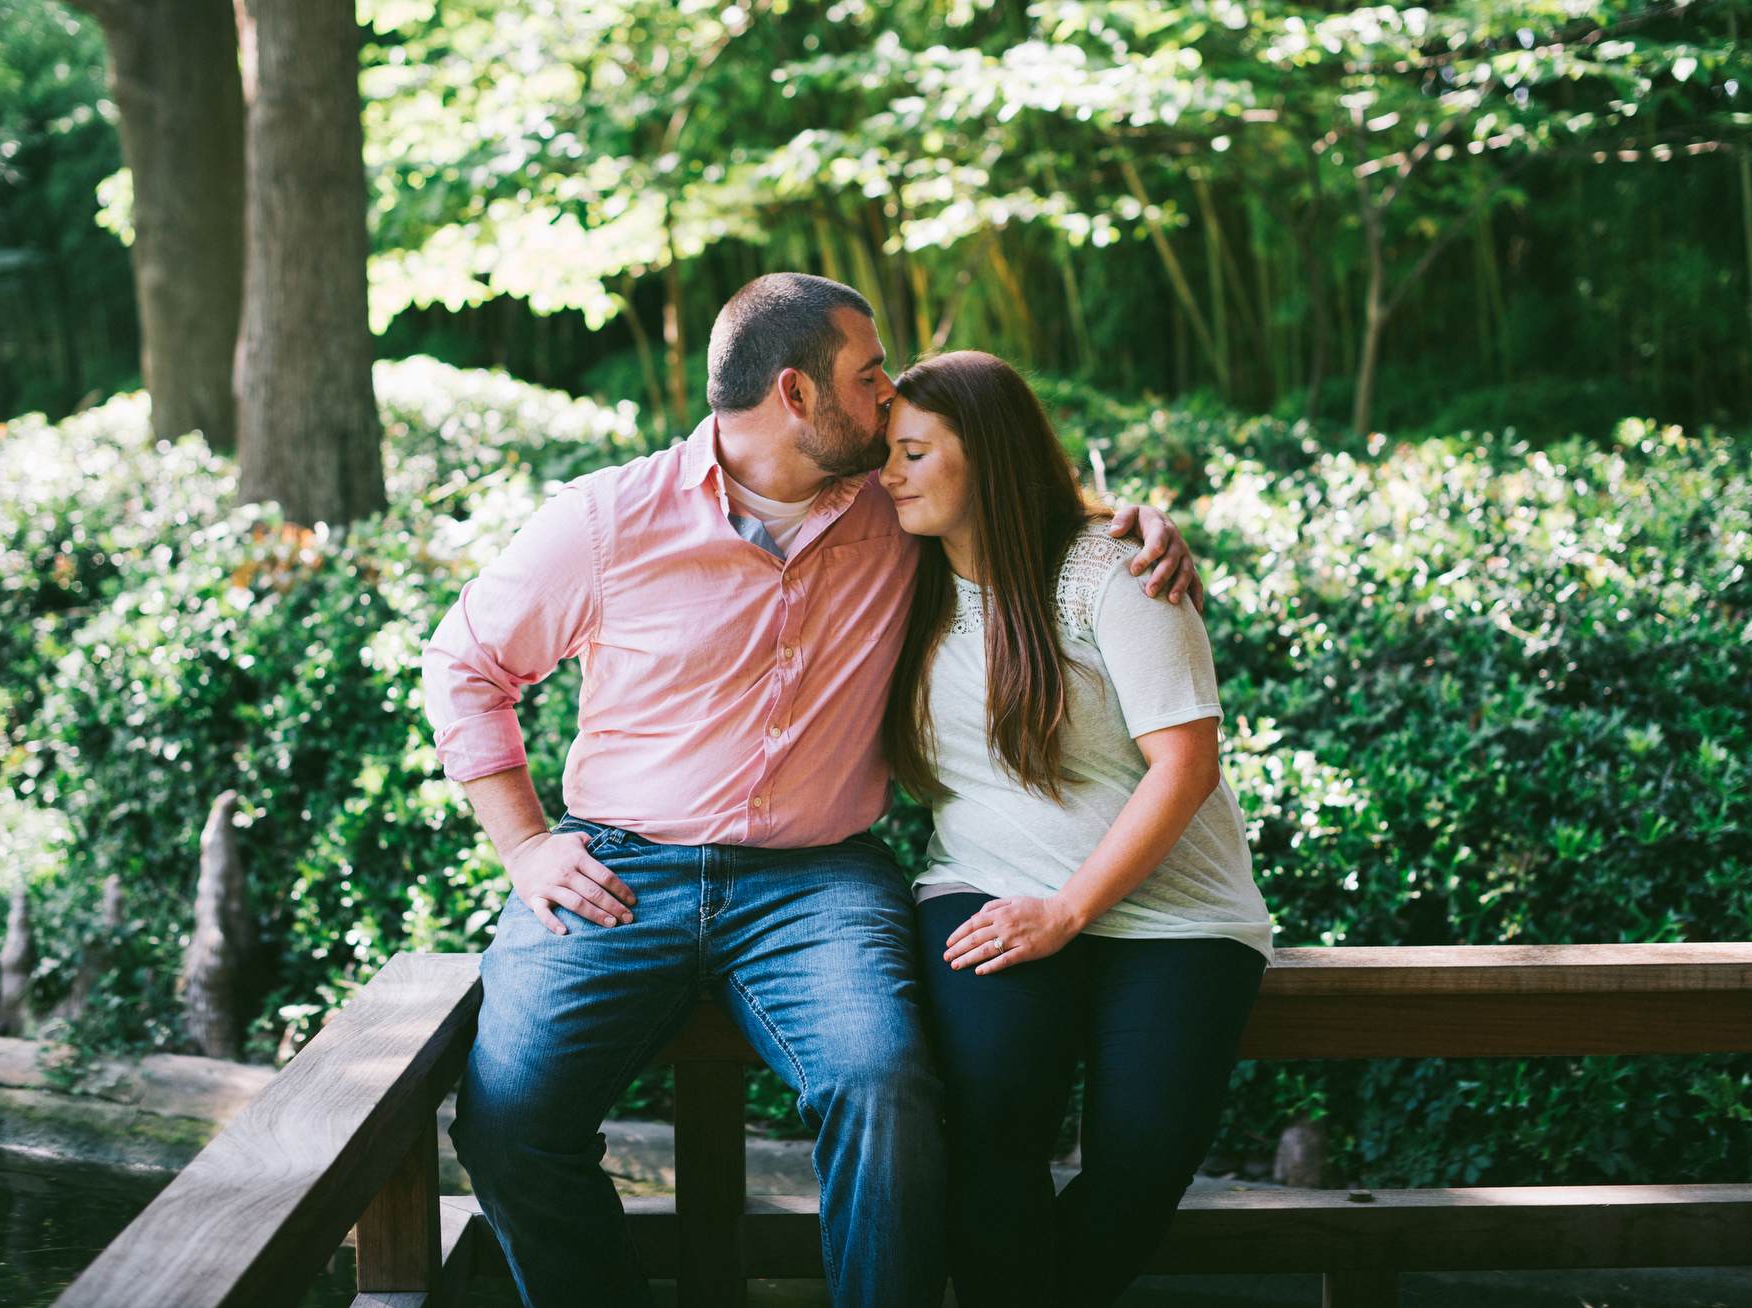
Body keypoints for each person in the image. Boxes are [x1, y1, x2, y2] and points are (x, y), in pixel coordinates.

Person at [420, 274, 1198, 1308]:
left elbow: (1015, 503)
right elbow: (464, 663)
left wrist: (1127, 523)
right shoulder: (609, 519)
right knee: (508, 1117)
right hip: (621, 867)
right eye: (868, 375)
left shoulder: (897, 504)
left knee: (883, 1089)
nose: (888, 395)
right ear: (796, 394)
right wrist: (523, 845)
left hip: (817, 882)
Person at [879, 350, 1273, 1308]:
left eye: (915, 453)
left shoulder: (1115, 572)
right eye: (887, 452)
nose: (889, 474)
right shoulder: (895, 568)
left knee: (1142, 1164)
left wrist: (1067, 910)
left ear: (992, 458)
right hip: (982, 886)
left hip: (1174, 912)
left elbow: (1187, 765)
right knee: (992, 1126)